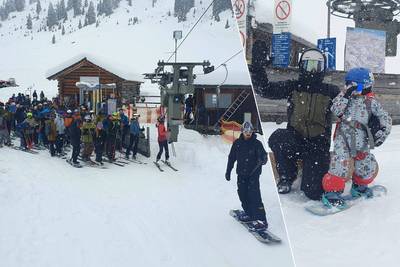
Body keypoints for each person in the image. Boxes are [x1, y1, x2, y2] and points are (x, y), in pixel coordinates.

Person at [251, 48, 340, 200]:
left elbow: (350, 109)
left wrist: (371, 118)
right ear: (301, 66)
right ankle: (287, 176)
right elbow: (265, 90)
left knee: (313, 192)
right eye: (308, 65)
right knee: (278, 137)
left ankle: (311, 178)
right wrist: (258, 68)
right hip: (295, 139)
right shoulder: (294, 86)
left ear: (323, 68)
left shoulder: (331, 91)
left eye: (316, 66)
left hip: (318, 144)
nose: (312, 70)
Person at [321, 68, 392, 208]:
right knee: (339, 164)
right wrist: (347, 94)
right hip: (343, 138)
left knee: (366, 164)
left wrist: (382, 132)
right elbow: (335, 109)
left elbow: (385, 118)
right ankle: (331, 193)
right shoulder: (344, 99)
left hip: (362, 139)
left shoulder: (371, 102)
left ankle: (359, 188)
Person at [225, 121, 268, 229]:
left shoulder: (257, 144)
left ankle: (261, 219)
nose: (248, 133)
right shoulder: (237, 143)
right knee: (242, 194)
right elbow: (231, 158)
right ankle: (249, 213)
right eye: (246, 131)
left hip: (253, 174)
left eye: (250, 131)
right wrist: (228, 171)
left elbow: (264, 156)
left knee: (254, 195)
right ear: (242, 132)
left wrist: (263, 159)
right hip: (241, 174)